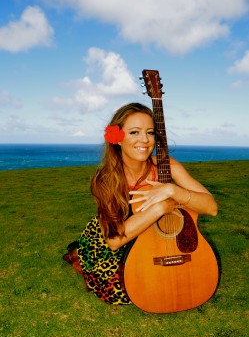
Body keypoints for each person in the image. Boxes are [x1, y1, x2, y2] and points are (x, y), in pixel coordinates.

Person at [63, 102, 218, 305]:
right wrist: (160, 207)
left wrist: (172, 190)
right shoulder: (107, 179)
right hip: (118, 230)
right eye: (134, 132)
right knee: (119, 287)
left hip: (150, 235)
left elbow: (211, 208)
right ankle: (80, 251)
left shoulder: (166, 165)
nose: (144, 140)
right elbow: (114, 240)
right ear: (117, 138)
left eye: (150, 132)